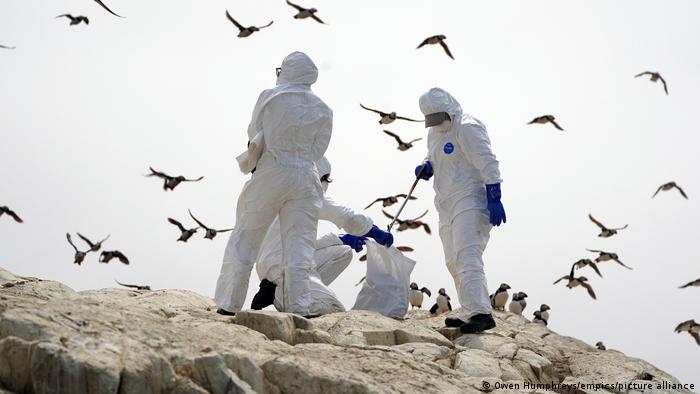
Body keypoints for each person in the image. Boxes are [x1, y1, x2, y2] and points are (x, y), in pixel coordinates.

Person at [214, 52, 333, 317]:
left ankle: (228, 304)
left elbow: (253, 131)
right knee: (300, 244)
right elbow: (320, 147)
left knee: (247, 236)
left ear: (287, 71)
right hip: (306, 177)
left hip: (272, 170)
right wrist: (300, 161)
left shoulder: (270, 96)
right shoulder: (323, 107)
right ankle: (299, 307)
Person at [413, 87, 506, 334]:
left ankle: (482, 313)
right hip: (446, 203)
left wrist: (494, 196)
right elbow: (434, 155)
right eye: (430, 120)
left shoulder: (467, 127)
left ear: (449, 110)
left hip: (471, 199)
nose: (434, 124)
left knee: (467, 254)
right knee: (453, 259)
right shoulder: (435, 132)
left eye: (438, 117)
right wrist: (426, 165)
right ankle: (469, 310)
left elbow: (487, 160)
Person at [250, 157, 394, 315]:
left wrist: (341, 239)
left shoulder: (285, 189)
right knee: (334, 310)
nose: (325, 183)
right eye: (324, 178)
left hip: (283, 260)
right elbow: (347, 217)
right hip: (279, 267)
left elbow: (304, 246)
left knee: (343, 251)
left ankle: (296, 292)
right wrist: (375, 231)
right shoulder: (306, 191)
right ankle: (280, 294)